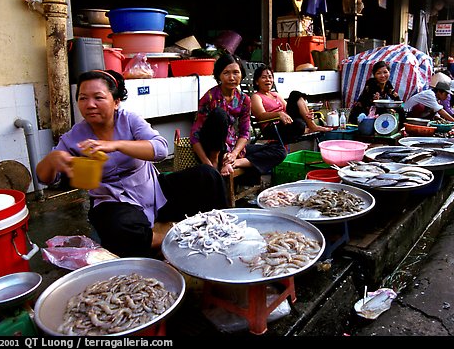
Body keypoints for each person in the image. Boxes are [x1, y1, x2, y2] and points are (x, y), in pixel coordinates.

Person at [36, 70, 228, 258]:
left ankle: (222, 230)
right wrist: (52, 160)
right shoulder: (74, 137)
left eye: (98, 97)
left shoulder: (129, 120)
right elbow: (44, 178)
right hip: (113, 201)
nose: (90, 104)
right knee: (118, 227)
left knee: (208, 176)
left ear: (116, 102)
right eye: (83, 98)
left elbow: (160, 149)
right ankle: (168, 239)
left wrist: (117, 145)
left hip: (153, 191)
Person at [190, 53, 287, 179]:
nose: (231, 77)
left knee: (279, 150)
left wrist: (234, 154)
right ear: (219, 75)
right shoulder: (210, 97)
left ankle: (235, 163)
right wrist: (207, 163)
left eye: (236, 72)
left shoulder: (244, 99)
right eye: (226, 73)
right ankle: (217, 161)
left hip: (232, 147)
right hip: (210, 148)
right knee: (220, 114)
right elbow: (195, 135)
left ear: (241, 74)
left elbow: (245, 133)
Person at [250, 64, 331, 144]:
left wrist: (306, 113)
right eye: (264, 77)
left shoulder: (275, 94)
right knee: (299, 124)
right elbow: (261, 116)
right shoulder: (256, 97)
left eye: (270, 77)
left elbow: (288, 109)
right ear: (257, 82)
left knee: (295, 95)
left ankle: (311, 125)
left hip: (287, 123)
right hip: (272, 128)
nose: (268, 80)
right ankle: (306, 128)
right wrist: (278, 114)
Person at [348, 60, 405, 125]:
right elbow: (375, 102)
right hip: (364, 112)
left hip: (379, 108)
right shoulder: (371, 83)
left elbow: (396, 98)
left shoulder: (387, 84)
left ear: (389, 72)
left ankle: (403, 127)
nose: (383, 76)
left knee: (400, 109)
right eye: (379, 73)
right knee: (386, 112)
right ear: (374, 75)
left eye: (385, 72)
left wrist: (401, 106)